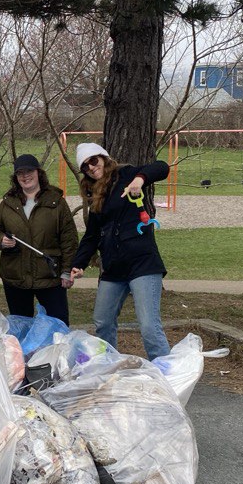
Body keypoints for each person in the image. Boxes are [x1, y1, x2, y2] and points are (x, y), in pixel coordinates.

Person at [68, 142, 171, 359]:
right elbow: (92, 236)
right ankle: (107, 367)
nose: (91, 167)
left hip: (142, 263)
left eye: (93, 161)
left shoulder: (127, 174)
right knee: (103, 322)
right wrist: (78, 264)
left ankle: (168, 377)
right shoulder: (96, 196)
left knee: (149, 326)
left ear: (103, 157)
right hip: (114, 268)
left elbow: (162, 167)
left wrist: (140, 179)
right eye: (85, 166)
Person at [0, 153, 78, 324]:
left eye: (29, 171)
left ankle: (56, 351)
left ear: (38, 173)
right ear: (16, 178)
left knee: (57, 326)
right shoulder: (8, 203)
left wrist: (67, 271)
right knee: (21, 327)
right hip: (16, 277)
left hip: (50, 276)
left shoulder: (56, 202)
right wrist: (1, 241)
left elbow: (69, 240)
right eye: (20, 173)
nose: (25, 176)